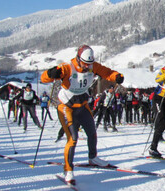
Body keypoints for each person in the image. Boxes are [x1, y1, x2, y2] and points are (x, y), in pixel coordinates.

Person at [41, 45, 123, 183]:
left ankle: (93, 158)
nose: (87, 67)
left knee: (92, 132)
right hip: (66, 107)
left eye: (89, 64)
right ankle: (68, 170)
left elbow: (107, 72)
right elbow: (44, 78)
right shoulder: (67, 67)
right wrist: (51, 74)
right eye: (85, 63)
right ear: (78, 59)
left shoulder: (93, 66)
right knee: (73, 138)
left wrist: (117, 76)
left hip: (82, 104)